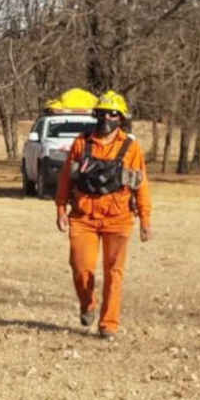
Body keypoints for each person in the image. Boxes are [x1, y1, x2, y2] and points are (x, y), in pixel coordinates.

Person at [55, 90, 152, 340]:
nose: (105, 118)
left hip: (118, 219)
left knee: (114, 272)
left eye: (112, 114)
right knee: (80, 267)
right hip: (83, 217)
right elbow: (66, 178)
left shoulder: (131, 148)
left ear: (120, 118)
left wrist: (145, 219)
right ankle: (88, 304)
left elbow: (141, 185)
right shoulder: (81, 143)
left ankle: (109, 323)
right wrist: (60, 208)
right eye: (101, 113)